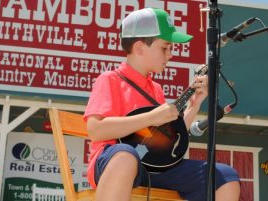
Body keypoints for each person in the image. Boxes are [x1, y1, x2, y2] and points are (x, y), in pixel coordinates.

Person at [84, 8, 240, 201]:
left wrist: (194, 104)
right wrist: (152, 117)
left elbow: (166, 137)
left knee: (225, 177)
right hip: (114, 164)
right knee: (126, 155)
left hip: (152, 167)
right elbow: (96, 130)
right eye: (165, 48)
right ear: (140, 47)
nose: (170, 54)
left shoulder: (156, 88)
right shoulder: (110, 80)